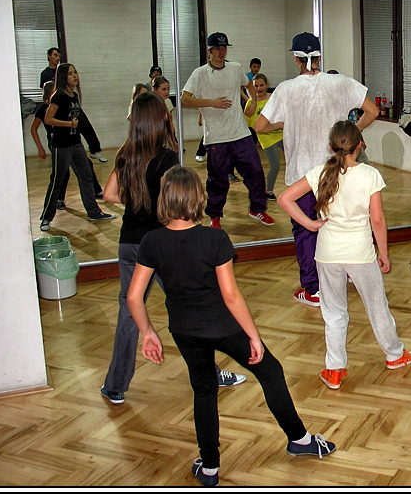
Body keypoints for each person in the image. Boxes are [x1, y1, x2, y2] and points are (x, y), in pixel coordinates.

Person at [127, 165, 336, 486]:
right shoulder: (214, 238)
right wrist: (253, 336)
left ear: (163, 199)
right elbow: (231, 295)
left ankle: (209, 467)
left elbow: (133, 297)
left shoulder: (152, 241)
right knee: (270, 371)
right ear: (198, 198)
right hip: (222, 327)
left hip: (183, 330)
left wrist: (147, 333)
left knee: (204, 389)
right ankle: (300, 439)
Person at [100, 92, 246, 406]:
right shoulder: (167, 158)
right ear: (160, 120)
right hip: (162, 244)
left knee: (129, 310)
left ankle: (114, 386)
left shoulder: (125, 153)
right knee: (193, 306)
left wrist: (136, 202)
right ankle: (212, 374)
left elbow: (109, 194)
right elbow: (173, 202)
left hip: (129, 242)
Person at [278, 121, 411, 390]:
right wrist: (384, 253)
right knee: (377, 307)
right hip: (360, 254)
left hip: (327, 254)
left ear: (331, 147)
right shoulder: (370, 174)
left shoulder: (320, 172)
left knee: (333, 313)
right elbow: (377, 220)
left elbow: (285, 198)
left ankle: (334, 370)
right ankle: (395, 355)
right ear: (360, 145)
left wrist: (310, 225)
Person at [254, 32, 379, 307]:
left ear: (296, 58)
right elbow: (372, 111)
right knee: (340, 223)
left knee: (306, 230)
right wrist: (352, 133)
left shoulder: (286, 89)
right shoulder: (340, 82)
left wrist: (285, 124)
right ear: (319, 56)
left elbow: (260, 126)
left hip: (302, 175)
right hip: (338, 172)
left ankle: (313, 289)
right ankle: (346, 271)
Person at [180, 32, 273, 230]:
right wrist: (211, 103)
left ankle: (257, 209)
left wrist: (252, 101)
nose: (221, 52)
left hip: (240, 133)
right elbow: (185, 99)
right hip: (216, 136)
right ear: (210, 51)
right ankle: (214, 215)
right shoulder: (200, 73)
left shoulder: (235, 68)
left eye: (224, 48)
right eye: (217, 49)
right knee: (218, 180)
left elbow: (249, 85)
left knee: (255, 171)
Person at [39, 63, 115, 231]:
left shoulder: (74, 95)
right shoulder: (58, 96)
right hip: (61, 145)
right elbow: (48, 119)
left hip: (75, 143)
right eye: (70, 73)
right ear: (63, 77)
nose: (75, 76)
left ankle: (94, 212)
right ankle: (46, 218)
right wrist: (69, 124)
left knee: (86, 176)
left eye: (75, 72)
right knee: (57, 180)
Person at [41, 47, 109, 163]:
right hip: (61, 112)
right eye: (55, 55)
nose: (57, 58)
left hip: (71, 107)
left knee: (86, 126)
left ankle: (94, 150)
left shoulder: (74, 94)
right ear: (49, 56)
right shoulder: (47, 74)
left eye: (59, 56)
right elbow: (48, 92)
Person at [244, 73, 284, 200]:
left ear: (267, 85)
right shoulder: (251, 103)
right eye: (256, 86)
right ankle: (269, 190)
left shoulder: (273, 98)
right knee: (275, 165)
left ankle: (296, 186)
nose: (259, 88)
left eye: (262, 85)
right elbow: (250, 124)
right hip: (266, 139)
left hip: (281, 135)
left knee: (293, 160)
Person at [31, 81, 67, 210]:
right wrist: (40, 148)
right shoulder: (43, 109)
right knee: (61, 171)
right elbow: (33, 129)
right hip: (55, 142)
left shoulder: (62, 105)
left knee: (84, 167)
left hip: (68, 141)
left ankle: (95, 192)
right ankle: (58, 199)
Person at [150, 76, 178, 146]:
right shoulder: (150, 104)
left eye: (168, 89)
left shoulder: (168, 101)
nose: (167, 92)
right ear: (155, 90)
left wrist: (173, 137)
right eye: (163, 89)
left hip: (166, 134)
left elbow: (170, 119)